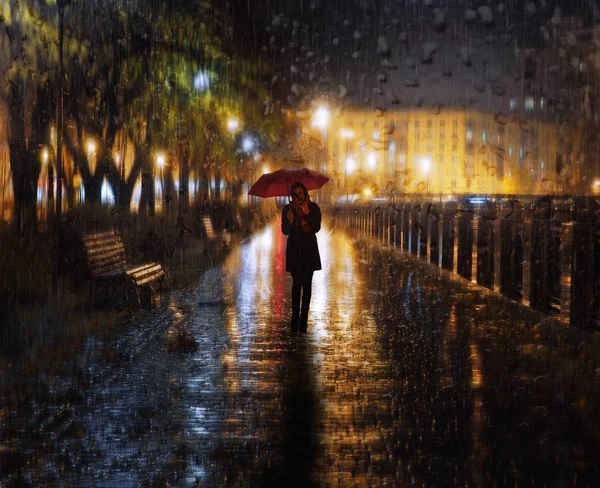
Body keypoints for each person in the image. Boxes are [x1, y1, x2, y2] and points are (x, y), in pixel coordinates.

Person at [281, 181, 322, 332]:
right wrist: (289, 220)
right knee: (296, 285)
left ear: (305, 193)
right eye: (295, 194)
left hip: (309, 250)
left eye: (300, 193)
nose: (298, 197)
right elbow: (285, 231)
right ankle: (294, 320)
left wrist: (307, 214)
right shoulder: (288, 209)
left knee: (307, 285)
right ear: (291, 195)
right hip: (294, 251)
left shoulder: (313, 208)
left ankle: (303, 320)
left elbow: (316, 227)